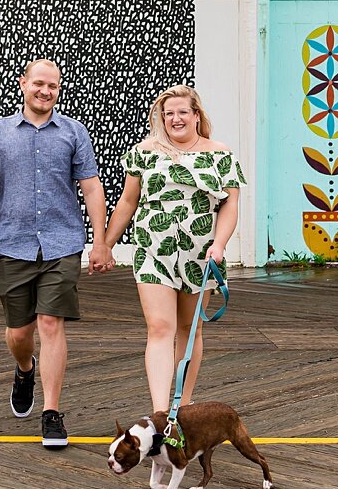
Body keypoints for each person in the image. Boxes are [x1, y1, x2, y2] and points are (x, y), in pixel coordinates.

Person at [0, 58, 109, 449]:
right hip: (12, 244)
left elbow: (92, 188)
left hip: (62, 244)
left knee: (50, 323)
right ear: (23, 84)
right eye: (39, 84)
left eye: (53, 86)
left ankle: (51, 414)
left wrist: (100, 242)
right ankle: (24, 367)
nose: (45, 91)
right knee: (20, 332)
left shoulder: (73, 133)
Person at [94, 85, 244, 417]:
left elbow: (230, 206)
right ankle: (161, 411)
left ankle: (183, 404)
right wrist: (105, 244)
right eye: (169, 113)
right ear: (162, 118)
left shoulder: (220, 153)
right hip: (153, 249)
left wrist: (219, 246)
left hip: (201, 252)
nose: (175, 119)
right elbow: (127, 202)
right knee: (160, 327)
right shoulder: (145, 151)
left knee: (190, 329)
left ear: (196, 115)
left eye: (182, 112)